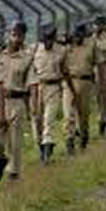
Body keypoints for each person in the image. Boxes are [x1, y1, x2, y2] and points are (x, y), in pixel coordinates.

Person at [0, 20, 35, 180]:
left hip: (17, 102)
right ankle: (1, 159)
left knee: (15, 143)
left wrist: (33, 107)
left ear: (24, 37)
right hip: (0, 101)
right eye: (13, 34)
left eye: (19, 35)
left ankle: (13, 175)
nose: (15, 38)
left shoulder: (27, 58)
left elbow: (31, 84)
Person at [32, 23, 73, 163]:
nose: (48, 42)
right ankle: (41, 145)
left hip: (54, 86)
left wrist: (70, 88)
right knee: (37, 118)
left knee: (49, 118)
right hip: (37, 86)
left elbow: (65, 71)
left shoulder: (61, 51)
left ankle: (48, 147)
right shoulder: (35, 49)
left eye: (50, 39)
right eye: (46, 39)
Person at [63, 22, 97, 154]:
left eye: (79, 35)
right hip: (69, 82)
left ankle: (84, 136)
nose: (77, 38)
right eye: (75, 35)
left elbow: (96, 63)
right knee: (68, 114)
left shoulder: (90, 46)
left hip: (85, 81)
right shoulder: (67, 48)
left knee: (83, 113)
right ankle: (69, 141)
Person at [92, 14, 106, 137]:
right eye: (96, 24)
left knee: (104, 97)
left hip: (104, 69)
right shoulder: (88, 39)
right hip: (90, 70)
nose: (98, 27)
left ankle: (102, 120)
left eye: (100, 24)